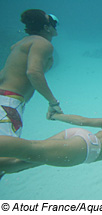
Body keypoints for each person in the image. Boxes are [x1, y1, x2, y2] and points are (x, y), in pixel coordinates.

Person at [0, 9, 63, 178]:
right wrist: (53, 102)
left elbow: (4, 73)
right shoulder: (42, 44)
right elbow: (33, 72)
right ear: (46, 28)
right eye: (52, 22)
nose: (55, 26)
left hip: (5, 100)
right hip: (9, 104)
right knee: (4, 159)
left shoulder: (20, 44)